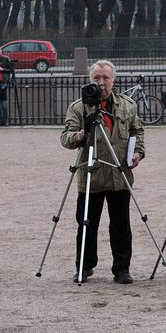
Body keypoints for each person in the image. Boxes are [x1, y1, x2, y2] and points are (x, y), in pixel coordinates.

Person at [61, 60, 145, 284]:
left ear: (113, 80)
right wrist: (80, 135)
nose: (101, 83)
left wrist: (138, 152)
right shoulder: (78, 107)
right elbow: (66, 138)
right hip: (91, 174)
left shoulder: (128, 105)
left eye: (105, 78)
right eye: (96, 78)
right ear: (90, 80)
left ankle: (122, 269)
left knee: (121, 225)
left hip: (120, 173)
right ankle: (84, 266)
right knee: (87, 223)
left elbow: (138, 131)